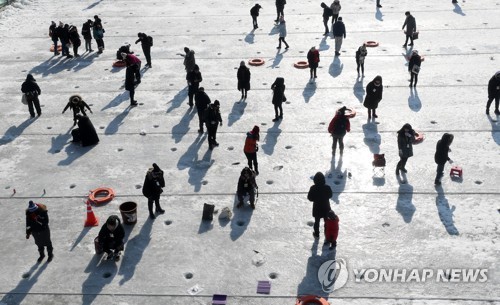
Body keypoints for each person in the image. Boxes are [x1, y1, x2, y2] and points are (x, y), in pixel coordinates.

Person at [308, 172, 332, 239]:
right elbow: (330, 195)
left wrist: (315, 198)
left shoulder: (313, 188)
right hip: (326, 207)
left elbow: (309, 198)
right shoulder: (327, 187)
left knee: (317, 222)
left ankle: (316, 234)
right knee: (326, 222)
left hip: (317, 208)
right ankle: (326, 234)